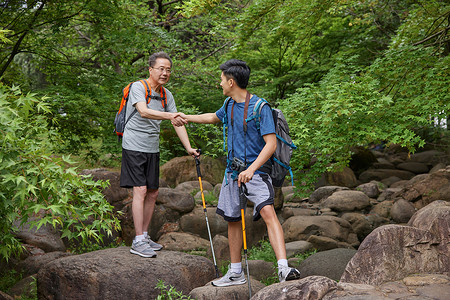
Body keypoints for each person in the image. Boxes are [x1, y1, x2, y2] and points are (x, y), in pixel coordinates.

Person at [182, 59, 300, 284]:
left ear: (231, 81)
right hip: (232, 172)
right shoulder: (228, 105)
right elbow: (212, 118)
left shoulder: (260, 107)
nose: (220, 84)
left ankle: (283, 268)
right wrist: (185, 117)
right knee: (233, 219)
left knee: (268, 212)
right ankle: (235, 272)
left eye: (221, 80)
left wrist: (252, 169)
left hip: (257, 172)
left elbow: (271, 144)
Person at [120, 51, 197, 258]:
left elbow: (177, 122)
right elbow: (144, 111)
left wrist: (188, 148)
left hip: (152, 147)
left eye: (168, 70)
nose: (165, 73)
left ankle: (144, 236)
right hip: (134, 145)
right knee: (141, 190)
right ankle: (137, 240)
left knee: (153, 192)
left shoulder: (166, 95)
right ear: (150, 69)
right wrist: (171, 115)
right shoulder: (139, 87)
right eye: (161, 69)